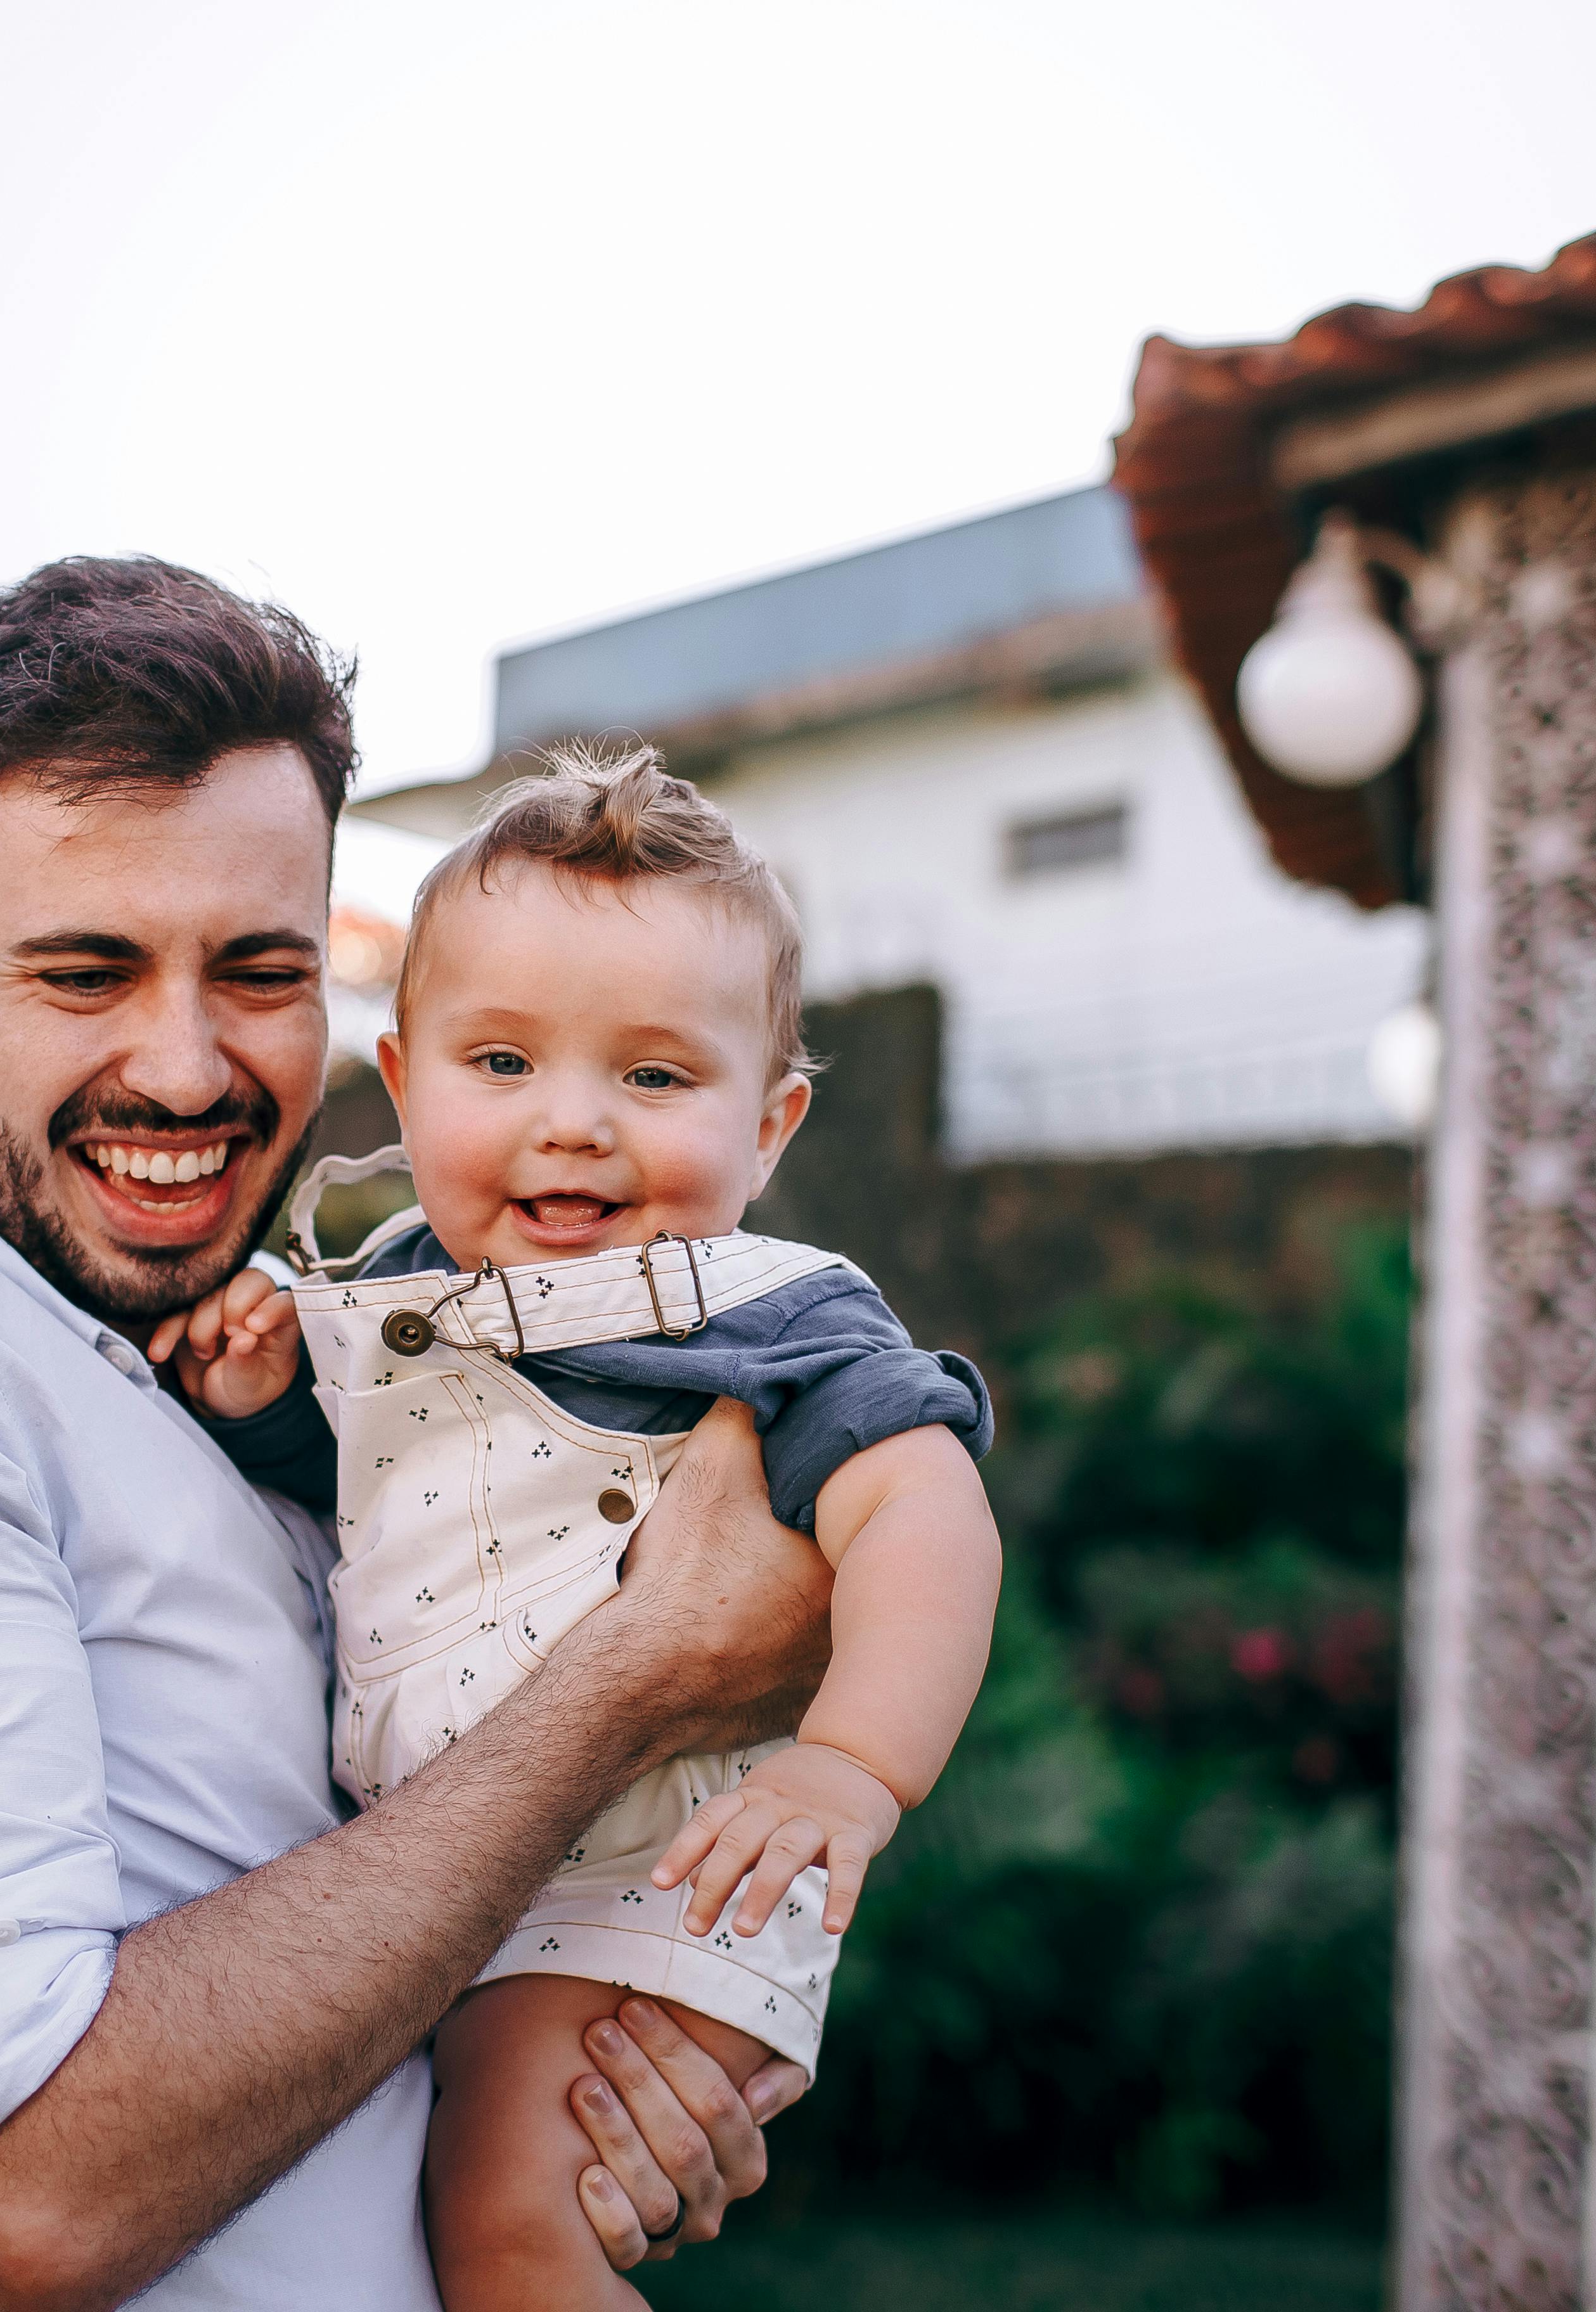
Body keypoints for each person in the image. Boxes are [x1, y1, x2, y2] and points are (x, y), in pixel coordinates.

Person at [0, 560, 831, 2312]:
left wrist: (604, 2069)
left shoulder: (248, 1354)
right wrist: (637, 1680)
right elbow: (36, 2192)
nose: (182, 1070)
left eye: (257, 972)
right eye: (85, 973)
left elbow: (370, 1918)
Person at [151, 747, 1005, 2309]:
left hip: (645, 1877)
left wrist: (854, 1767)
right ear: (403, 1081)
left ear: (772, 1126)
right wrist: (261, 1391)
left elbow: (926, 1512)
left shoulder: (773, 1320)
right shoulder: (394, 1290)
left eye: (656, 1079)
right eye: (501, 1064)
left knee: (504, 2239)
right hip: (452, 1871)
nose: (573, 1125)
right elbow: (364, 1487)